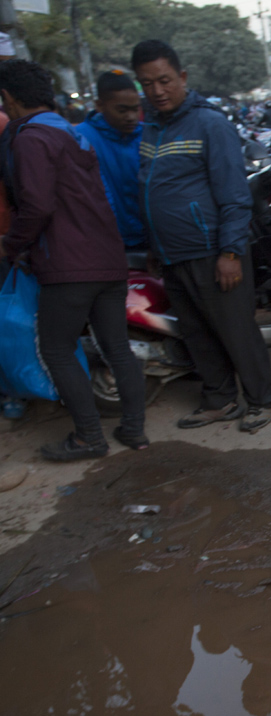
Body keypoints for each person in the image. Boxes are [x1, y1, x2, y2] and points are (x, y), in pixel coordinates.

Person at [0, 59, 148, 460]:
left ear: (9, 98)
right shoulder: (71, 133)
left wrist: (10, 245)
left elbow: (36, 206)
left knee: (57, 349)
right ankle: (134, 430)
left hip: (69, 265)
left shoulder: (30, 138)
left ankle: (88, 437)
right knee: (118, 348)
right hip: (108, 257)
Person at [132, 39, 271, 433]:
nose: (157, 91)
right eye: (148, 84)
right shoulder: (150, 128)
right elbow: (149, 189)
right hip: (172, 253)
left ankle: (262, 400)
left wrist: (230, 251)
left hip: (214, 252)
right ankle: (220, 400)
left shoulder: (211, 123)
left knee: (236, 331)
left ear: (182, 77)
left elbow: (234, 195)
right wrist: (154, 246)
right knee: (197, 332)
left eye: (164, 80)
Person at [75, 70, 146, 252]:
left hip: (150, 241)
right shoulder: (81, 138)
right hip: (103, 244)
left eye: (135, 109)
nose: (131, 117)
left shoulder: (149, 135)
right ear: (100, 105)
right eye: (122, 110)